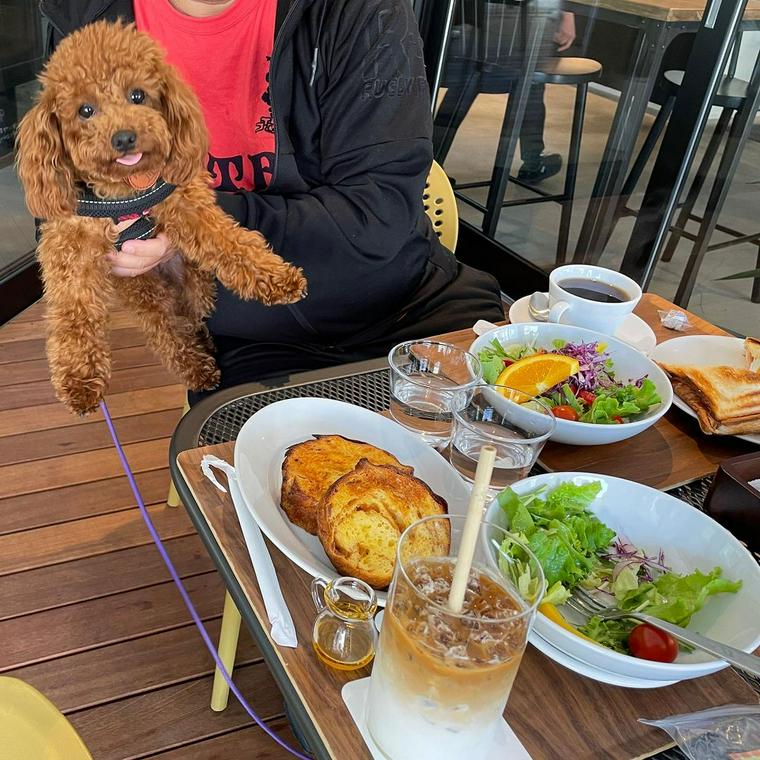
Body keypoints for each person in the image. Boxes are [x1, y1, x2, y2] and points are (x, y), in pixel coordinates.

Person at [41, 0, 503, 402]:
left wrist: (192, 220)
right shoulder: (84, 19)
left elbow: (379, 213)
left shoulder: (359, 12)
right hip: (246, 335)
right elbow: (64, 176)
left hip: (408, 302)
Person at [433, 2, 576, 184]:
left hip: (472, 21)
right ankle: (533, 161)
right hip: (516, 22)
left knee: (468, 79)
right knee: (529, 80)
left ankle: (431, 162)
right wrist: (568, 12)